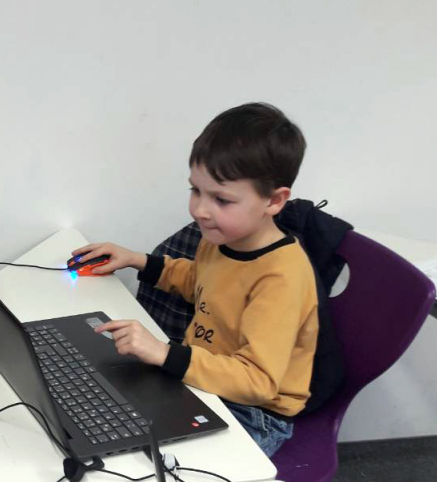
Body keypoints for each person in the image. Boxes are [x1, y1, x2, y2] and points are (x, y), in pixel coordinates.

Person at [72, 102, 318, 457]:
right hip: (203, 375)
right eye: (195, 190)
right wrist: (137, 260)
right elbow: (202, 282)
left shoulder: (281, 277)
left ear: (275, 201)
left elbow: (259, 383)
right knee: (104, 408)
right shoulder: (222, 239)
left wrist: (164, 354)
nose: (200, 210)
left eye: (221, 199)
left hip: (254, 412)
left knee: (154, 467)